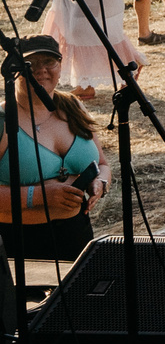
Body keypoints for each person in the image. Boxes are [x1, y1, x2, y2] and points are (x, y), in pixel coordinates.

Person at [0, 40, 109, 262]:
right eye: (30, 63)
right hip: (18, 243)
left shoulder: (73, 106)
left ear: (60, 65)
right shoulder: (3, 120)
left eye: (49, 61)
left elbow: (103, 165)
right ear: (14, 70)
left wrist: (100, 183)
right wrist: (40, 196)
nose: (41, 70)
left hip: (77, 233)